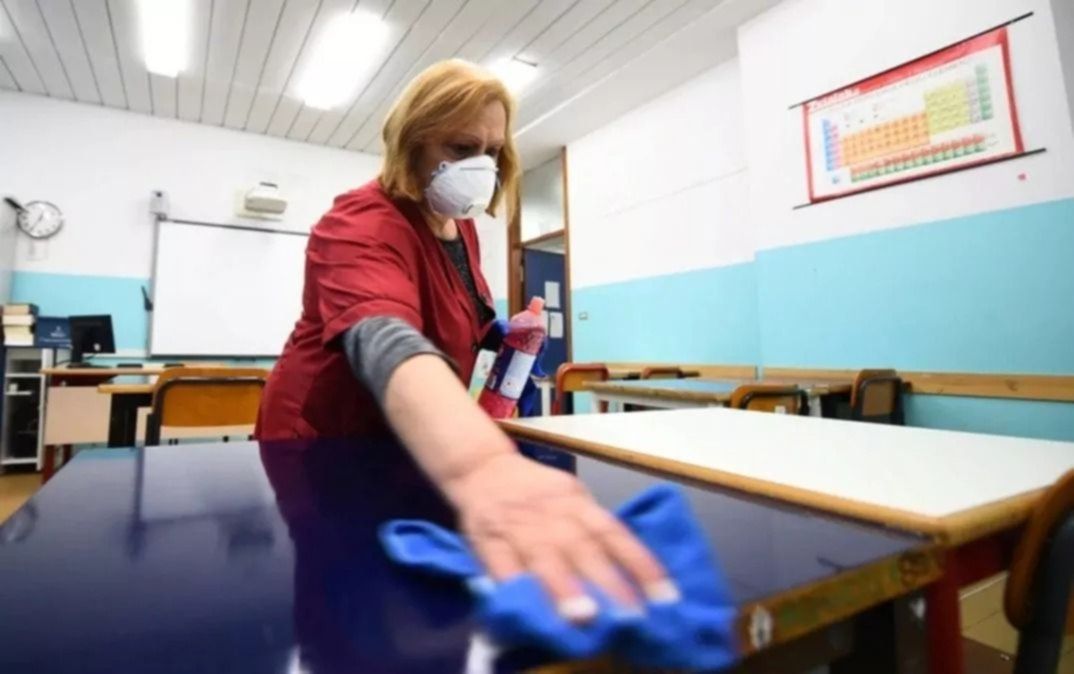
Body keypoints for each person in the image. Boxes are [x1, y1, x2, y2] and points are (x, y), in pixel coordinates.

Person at [256, 60, 673, 621]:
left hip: (407, 444)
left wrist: (499, 338)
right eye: (461, 146)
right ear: (412, 143)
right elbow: (383, 335)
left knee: (422, 603)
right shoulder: (359, 222)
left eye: (493, 151)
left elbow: (454, 317)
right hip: (327, 444)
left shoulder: (463, 227)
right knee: (349, 599)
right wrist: (480, 465)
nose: (482, 165)